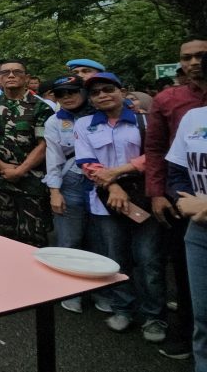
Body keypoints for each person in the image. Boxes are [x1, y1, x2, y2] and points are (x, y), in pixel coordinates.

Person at [74, 72, 166, 341]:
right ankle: (123, 308)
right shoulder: (85, 124)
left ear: (122, 91)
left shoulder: (145, 120)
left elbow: (156, 155)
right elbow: (86, 161)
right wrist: (113, 186)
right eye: (95, 93)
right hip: (107, 200)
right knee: (116, 258)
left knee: (149, 259)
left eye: (108, 89)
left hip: (144, 197)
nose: (102, 95)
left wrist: (118, 172)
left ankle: (154, 316)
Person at [144, 36, 207, 359]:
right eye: (187, 57)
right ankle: (186, 334)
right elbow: (155, 149)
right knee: (186, 274)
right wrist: (157, 193)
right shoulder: (169, 99)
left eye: (201, 55)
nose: (194, 63)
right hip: (182, 199)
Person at [43, 75, 107, 313]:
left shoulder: (103, 114)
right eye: (61, 94)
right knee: (70, 241)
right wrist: (54, 191)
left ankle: (103, 292)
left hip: (104, 183)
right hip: (70, 181)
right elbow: (53, 156)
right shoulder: (54, 121)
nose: (67, 97)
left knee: (102, 241)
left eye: (72, 91)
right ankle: (71, 292)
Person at [0, 60, 55, 247]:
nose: (11, 76)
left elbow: (44, 144)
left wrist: (20, 170)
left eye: (16, 72)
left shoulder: (41, 107)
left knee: (32, 237)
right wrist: (1, 165)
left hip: (30, 181)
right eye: (5, 72)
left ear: (26, 78)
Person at [165, 104, 207, 372]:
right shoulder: (194, 117)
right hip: (200, 230)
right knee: (203, 317)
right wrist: (184, 200)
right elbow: (178, 172)